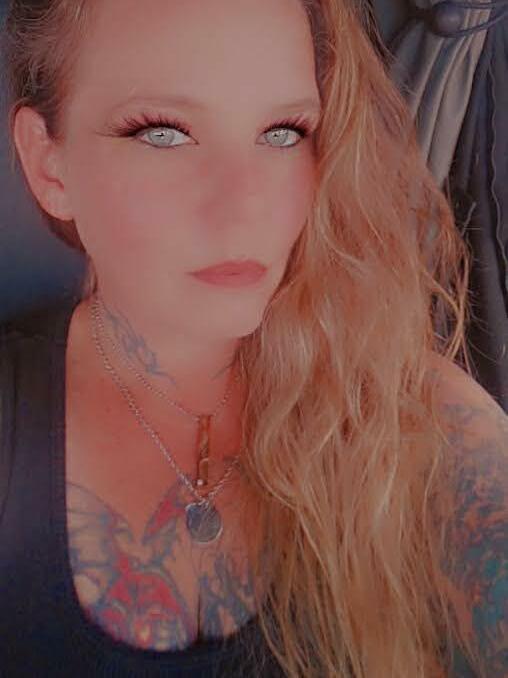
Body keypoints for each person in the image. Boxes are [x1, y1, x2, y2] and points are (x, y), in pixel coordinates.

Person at [0, 0, 506, 676]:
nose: (244, 208)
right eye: (163, 133)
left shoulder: (411, 416)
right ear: (49, 165)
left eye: (283, 132)